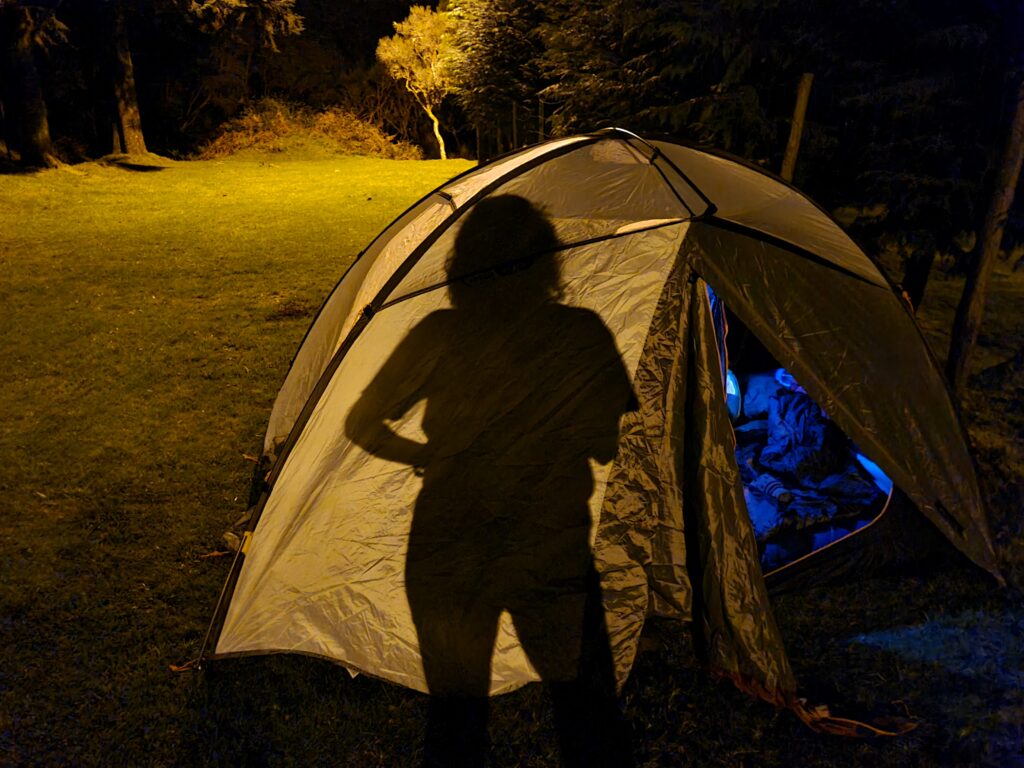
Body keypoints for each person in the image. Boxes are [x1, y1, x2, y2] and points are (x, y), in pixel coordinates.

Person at [346, 195, 636, 767]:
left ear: (466, 266)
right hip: (547, 549)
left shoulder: (439, 333)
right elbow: (605, 445)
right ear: (545, 262)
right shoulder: (579, 333)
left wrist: (425, 451)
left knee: (456, 723)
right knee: (586, 714)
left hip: (448, 550)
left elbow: (363, 423)